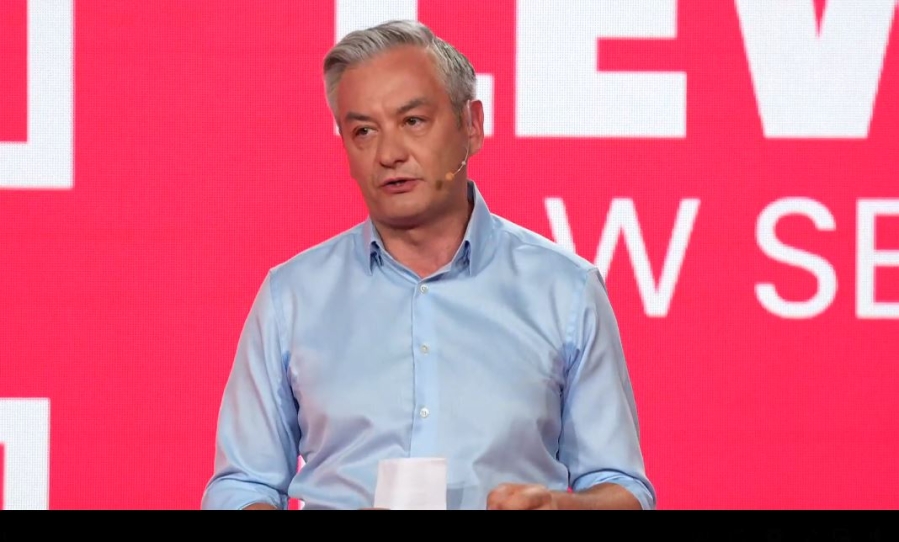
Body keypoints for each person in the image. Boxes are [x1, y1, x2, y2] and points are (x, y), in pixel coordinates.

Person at [201, 19, 655, 511]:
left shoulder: (564, 290)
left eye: (413, 121)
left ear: (471, 125)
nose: (389, 154)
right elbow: (241, 485)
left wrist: (556, 507)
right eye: (363, 131)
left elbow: (622, 487)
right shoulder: (292, 296)